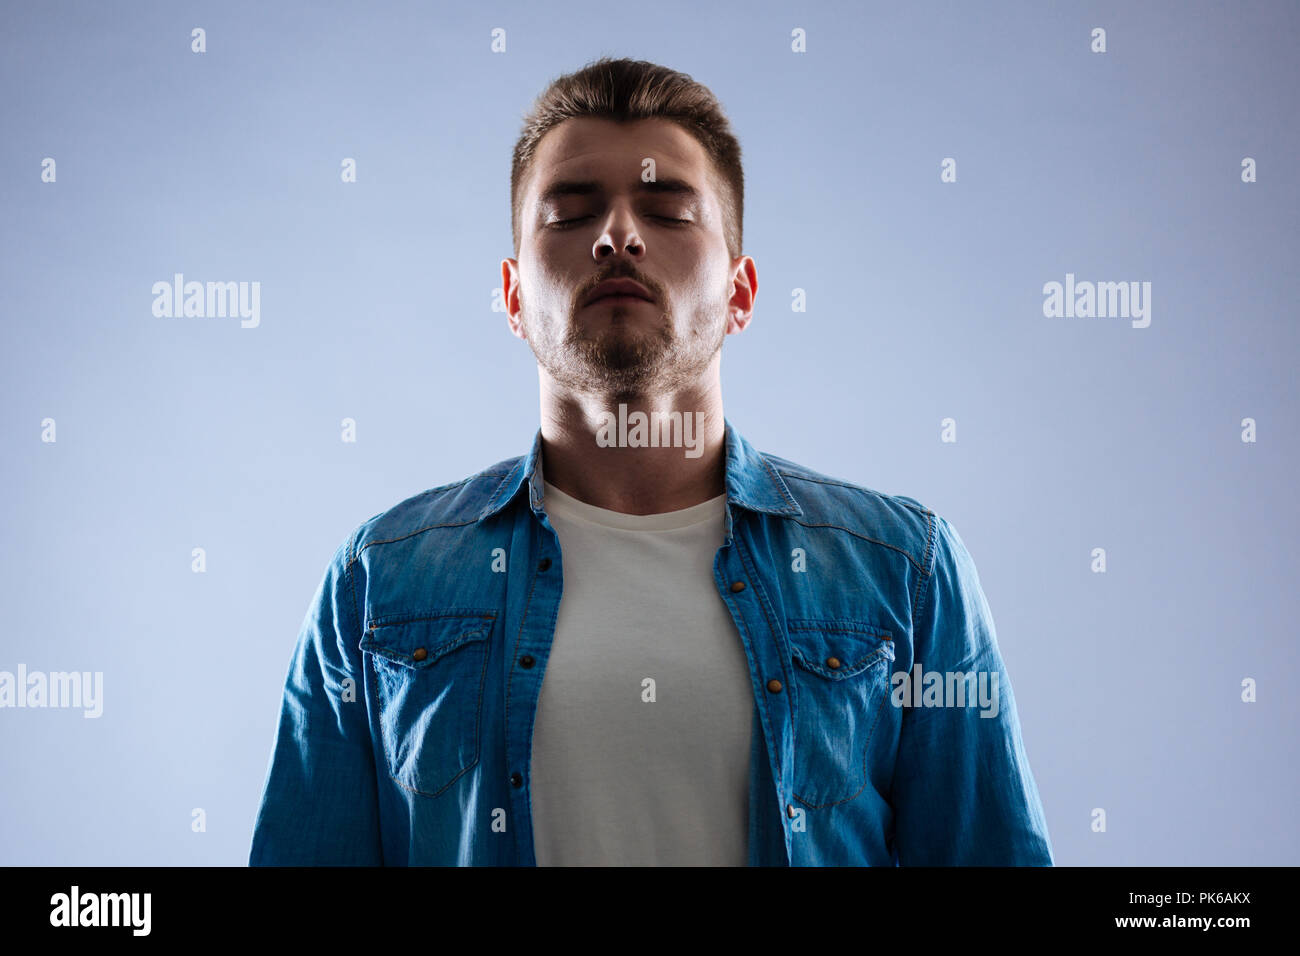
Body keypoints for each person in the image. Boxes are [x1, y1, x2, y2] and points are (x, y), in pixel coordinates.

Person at [249, 56, 1054, 866]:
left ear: (741, 293)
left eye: (669, 212)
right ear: (513, 296)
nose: (617, 235)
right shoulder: (380, 583)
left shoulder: (906, 571)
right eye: (569, 214)